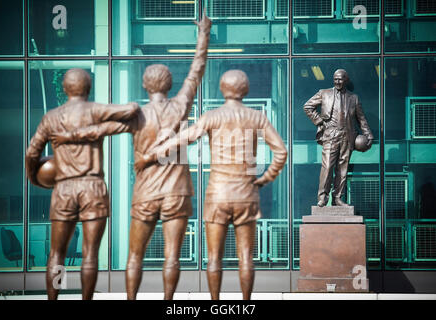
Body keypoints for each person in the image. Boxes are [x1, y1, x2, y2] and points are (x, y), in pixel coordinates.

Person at [50, 14, 212, 300]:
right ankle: (167, 302)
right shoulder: (179, 106)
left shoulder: (137, 115)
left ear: (146, 86)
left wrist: (67, 136)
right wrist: (204, 34)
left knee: (135, 255)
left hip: (146, 192)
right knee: (172, 254)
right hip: (177, 191)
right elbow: (196, 69)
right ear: (169, 84)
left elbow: (101, 130)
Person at [138, 70, 287, 300]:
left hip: (217, 194)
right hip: (246, 194)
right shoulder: (258, 117)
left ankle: (215, 302)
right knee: (246, 256)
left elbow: (182, 139)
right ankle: (245, 304)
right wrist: (266, 178)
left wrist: (150, 156)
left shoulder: (211, 116)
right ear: (245, 90)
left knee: (214, 256)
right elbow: (281, 151)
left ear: (222, 89)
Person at [25, 68, 140, 300]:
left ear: (66, 88)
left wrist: (34, 179)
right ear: (88, 88)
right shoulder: (95, 110)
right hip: (93, 188)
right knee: (90, 253)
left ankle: (53, 297)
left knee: (57, 252)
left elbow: (31, 154)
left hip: (64, 188)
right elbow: (132, 109)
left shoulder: (51, 117)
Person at [303, 69, 374, 207]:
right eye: (335, 79)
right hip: (330, 135)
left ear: (346, 80)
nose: (337, 82)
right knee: (327, 166)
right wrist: (319, 121)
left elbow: (361, 119)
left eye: (340, 79)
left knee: (343, 169)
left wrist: (368, 134)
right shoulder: (324, 93)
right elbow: (307, 107)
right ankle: (323, 197)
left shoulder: (354, 98)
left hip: (347, 136)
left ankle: (338, 198)